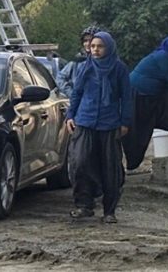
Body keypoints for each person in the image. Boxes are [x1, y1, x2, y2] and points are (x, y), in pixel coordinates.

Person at [65, 31, 132, 223]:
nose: (95, 50)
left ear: (109, 48)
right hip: (84, 121)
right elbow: (76, 93)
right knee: (80, 163)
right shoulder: (85, 67)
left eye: (99, 46)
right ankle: (83, 205)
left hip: (109, 123)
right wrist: (70, 115)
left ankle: (109, 210)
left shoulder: (119, 69)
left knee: (111, 168)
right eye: (93, 46)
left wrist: (125, 122)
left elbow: (126, 97)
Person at [123, 33, 168, 170]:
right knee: (137, 131)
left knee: (143, 129)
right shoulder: (163, 56)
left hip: (151, 96)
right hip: (139, 96)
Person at [56, 24, 100, 98]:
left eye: (91, 40)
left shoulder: (107, 63)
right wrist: (72, 94)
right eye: (85, 41)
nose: (88, 44)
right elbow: (60, 79)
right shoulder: (76, 62)